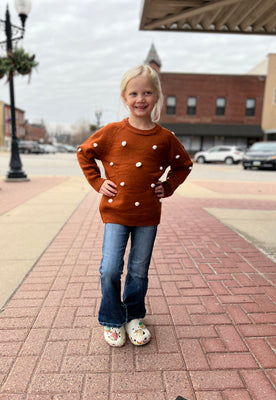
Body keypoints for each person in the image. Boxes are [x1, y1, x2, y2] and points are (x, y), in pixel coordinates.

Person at [77, 65, 193, 347]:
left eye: (147, 93)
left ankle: (133, 316)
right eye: (134, 93)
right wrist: (97, 181)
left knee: (139, 270)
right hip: (116, 212)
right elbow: (84, 154)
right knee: (110, 269)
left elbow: (183, 166)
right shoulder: (112, 132)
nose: (140, 98)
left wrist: (166, 187)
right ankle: (111, 318)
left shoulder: (164, 138)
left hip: (147, 216)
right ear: (124, 97)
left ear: (156, 97)